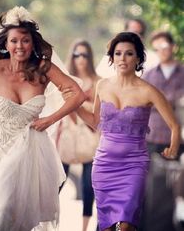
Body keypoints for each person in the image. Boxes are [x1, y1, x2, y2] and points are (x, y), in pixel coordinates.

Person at [0, 6, 85, 231]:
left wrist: (50, 119)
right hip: (0, 151)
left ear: (33, 43)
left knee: (20, 217)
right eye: (14, 41)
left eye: (25, 41)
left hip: (33, 150)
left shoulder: (44, 69)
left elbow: (77, 94)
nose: (19, 46)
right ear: (6, 43)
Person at [61, 32, 180, 231]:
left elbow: (174, 125)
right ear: (112, 57)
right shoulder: (103, 85)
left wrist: (173, 148)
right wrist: (74, 106)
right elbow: (95, 122)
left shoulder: (148, 90)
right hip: (104, 165)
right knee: (106, 226)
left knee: (126, 226)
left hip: (134, 165)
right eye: (118, 54)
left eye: (129, 54)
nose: (122, 59)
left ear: (138, 58)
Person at [57, 39, 100, 231]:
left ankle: (84, 227)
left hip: (90, 137)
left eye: (84, 54)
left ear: (89, 57)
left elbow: (100, 112)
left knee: (88, 185)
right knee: (57, 181)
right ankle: (50, 224)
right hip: (66, 135)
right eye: (76, 54)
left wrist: (82, 103)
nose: (80, 58)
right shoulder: (64, 79)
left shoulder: (98, 82)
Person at [143, 31, 184, 159]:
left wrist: (158, 100)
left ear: (173, 46)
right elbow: (143, 102)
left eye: (164, 47)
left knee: (178, 178)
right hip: (153, 136)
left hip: (179, 137)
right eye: (156, 49)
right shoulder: (148, 75)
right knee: (152, 177)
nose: (161, 51)